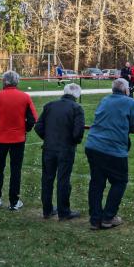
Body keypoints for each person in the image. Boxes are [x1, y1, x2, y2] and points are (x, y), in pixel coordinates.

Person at [85, 78, 134, 230]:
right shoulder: (130, 102)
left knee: (96, 183)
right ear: (126, 90)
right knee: (119, 182)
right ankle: (108, 217)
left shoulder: (104, 99)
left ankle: (95, 219)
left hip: (93, 145)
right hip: (113, 149)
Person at [0, 70, 38, 211]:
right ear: (17, 81)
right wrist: (24, 129)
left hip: (1, 138)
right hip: (18, 139)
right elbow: (33, 118)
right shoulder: (25, 97)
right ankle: (14, 201)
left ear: (4, 81)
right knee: (16, 171)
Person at [34, 83, 85, 220]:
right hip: (65, 148)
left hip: (49, 148)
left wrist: (48, 138)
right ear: (77, 95)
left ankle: (47, 210)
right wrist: (74, 141)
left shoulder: (50, 105)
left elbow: (38, 126)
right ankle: (64, 211)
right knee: (63, 180)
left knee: (47, 179)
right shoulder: (77, 108)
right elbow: (78, 131)